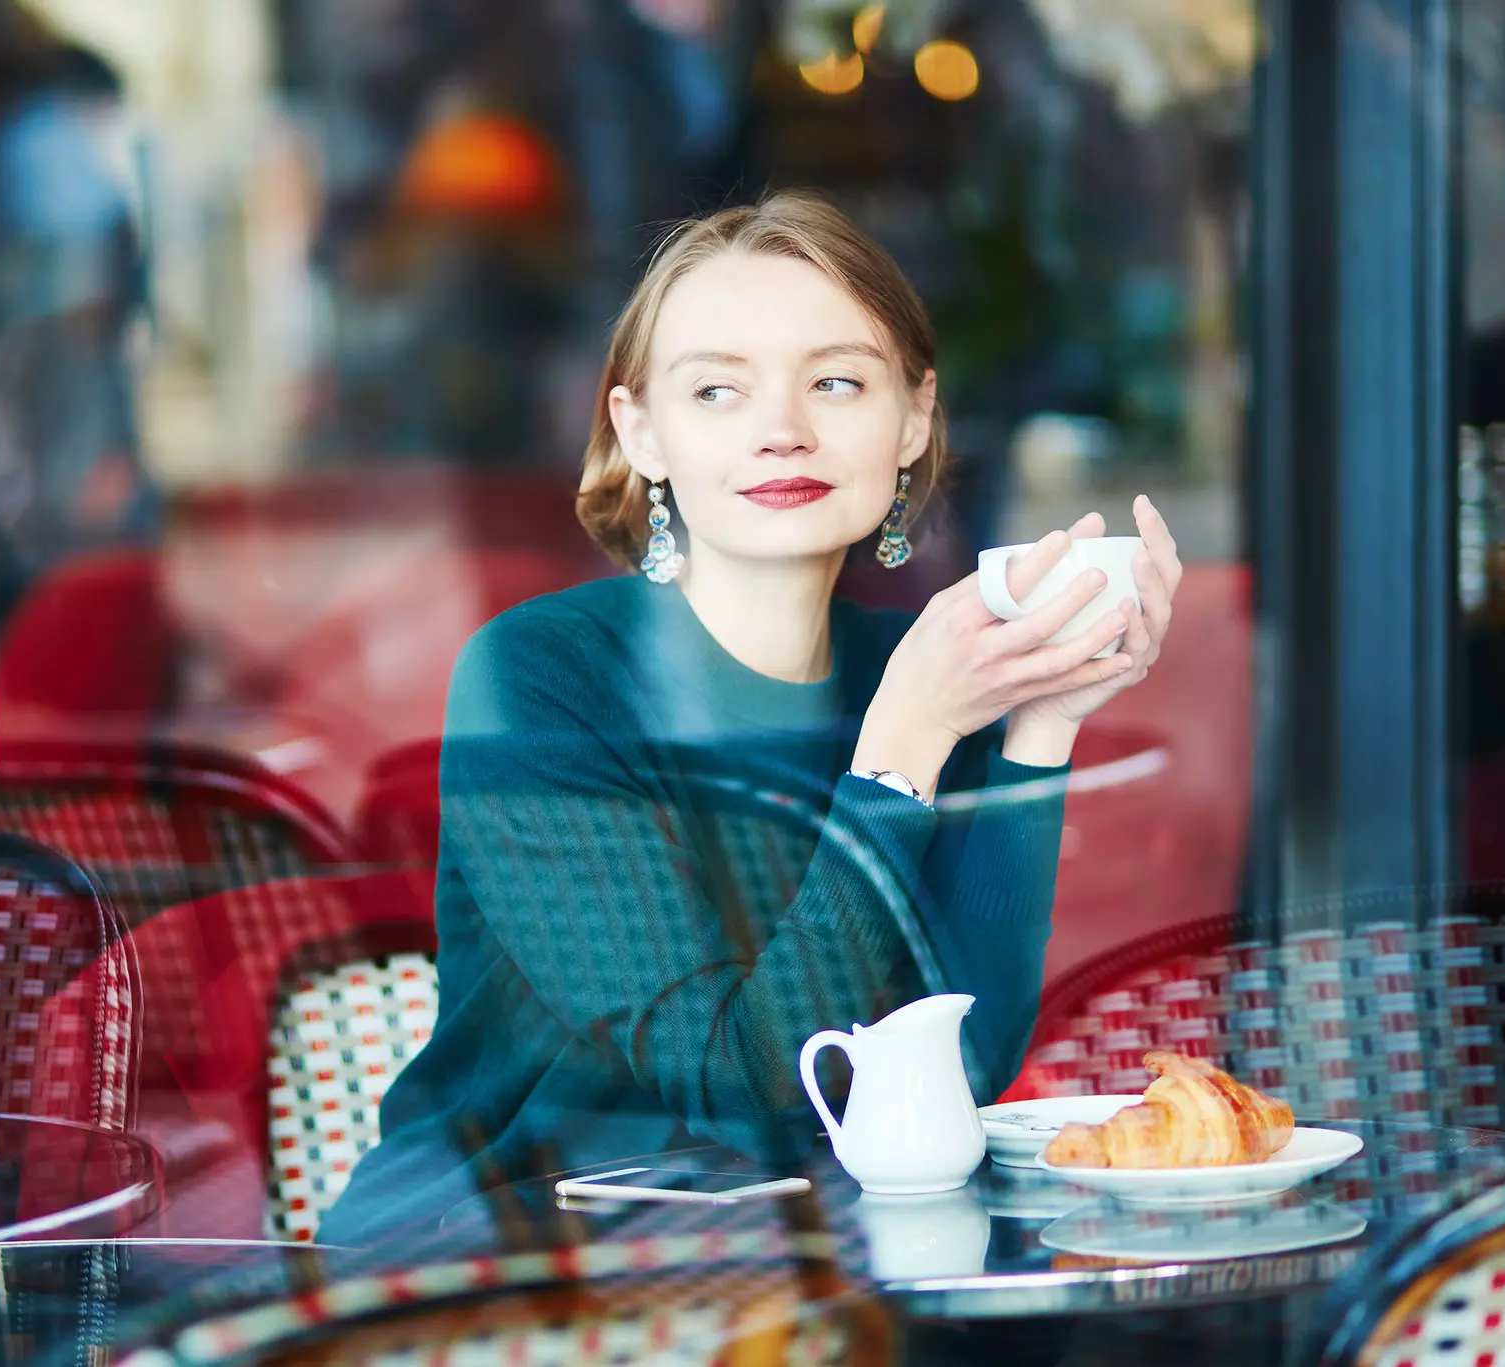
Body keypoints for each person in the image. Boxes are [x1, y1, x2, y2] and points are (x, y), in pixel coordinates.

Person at [318, 192, 1180, 1246]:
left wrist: (1038, 725)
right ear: (642, 431)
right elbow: (741, 1081)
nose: (784, 431)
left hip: (808, 1259)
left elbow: (956, 1065)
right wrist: (904, 744)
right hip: (514, 1264)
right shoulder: (546, 672)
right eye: (718, 389)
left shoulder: (906, 673)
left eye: (836, 381)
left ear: (913, 419)